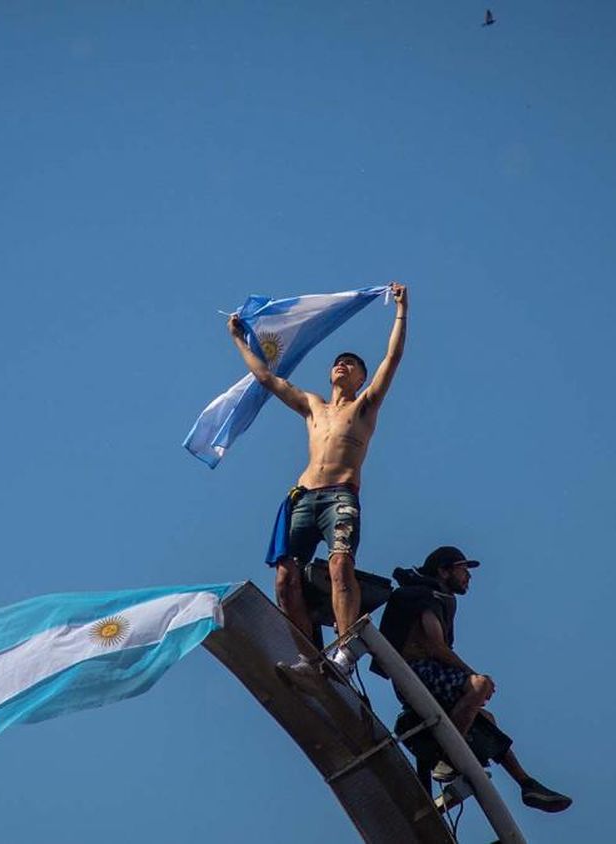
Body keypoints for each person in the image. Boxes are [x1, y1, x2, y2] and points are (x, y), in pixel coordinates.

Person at [226, 282, 407, 668]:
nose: (343, 364)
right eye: (338, 361)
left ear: (361, 377)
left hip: (339, 495)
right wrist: (241, 341)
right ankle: (305, 651)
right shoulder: (314, 407)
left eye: (352, 363)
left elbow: (391, 359)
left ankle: (346, 647)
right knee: (284, 578)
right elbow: (267, 379)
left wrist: (400, 312)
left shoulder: (364, 407)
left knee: (340, 565)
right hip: (303, 497)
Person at [377, 545, 573, 814]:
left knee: (487, 720)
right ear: (444, 571)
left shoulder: (440, 597)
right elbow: (436, 647)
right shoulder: (427, 596)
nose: (468, 577)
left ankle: (527, 784)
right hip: (417, 673)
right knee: (479, 686)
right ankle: (446, 758)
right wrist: (473, 677)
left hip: (428, 677)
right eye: (462, 570)